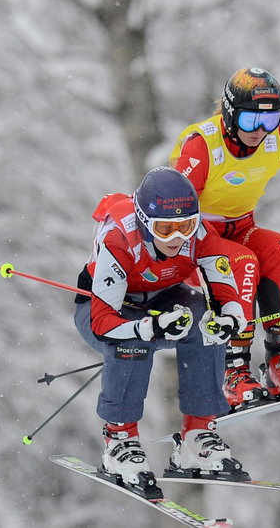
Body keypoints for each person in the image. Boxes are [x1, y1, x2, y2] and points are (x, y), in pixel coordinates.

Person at [73, 166, 252, 498]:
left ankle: (197, 436)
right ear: (143, 222)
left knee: (208, 324)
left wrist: (231, 316)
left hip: (165, 299)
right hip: (109, 308)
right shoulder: (119, 238)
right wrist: (150, 327)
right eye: (165, 229)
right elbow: (102, 322)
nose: (177, 238)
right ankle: (120, 440)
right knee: (131, 344)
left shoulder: (199, 234)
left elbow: (224, 288)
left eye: (185, 226)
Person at [169, 67, 280, 411]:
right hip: (195, 237)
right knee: (241, 262)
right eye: (251, 122)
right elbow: (173, 206)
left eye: (270, 121)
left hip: (240, 227)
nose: (260, 133)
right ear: (229, 114)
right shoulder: (203, 145)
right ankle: (231, 368)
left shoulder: (276, 140)